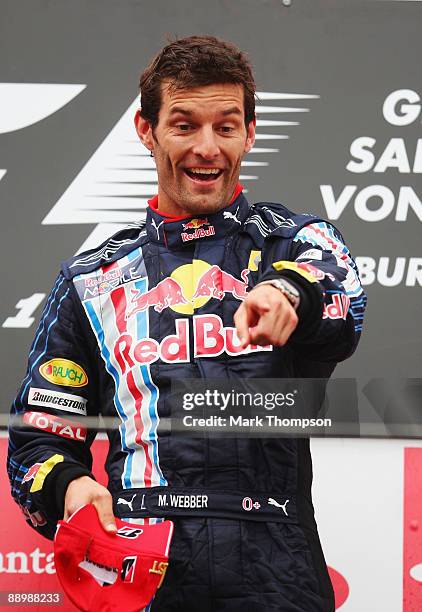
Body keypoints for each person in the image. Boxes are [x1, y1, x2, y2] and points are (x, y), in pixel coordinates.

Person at [7, 35, 366, 611]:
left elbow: (338, 287)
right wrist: (72, 487)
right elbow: (37, 441)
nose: (207, 148)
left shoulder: (293, 242)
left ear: (250, 133)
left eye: (225, 127)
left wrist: (287, 291)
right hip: (141, 561)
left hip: (276, 560)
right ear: (146, 130)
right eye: (184, 125)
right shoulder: (92, 280)